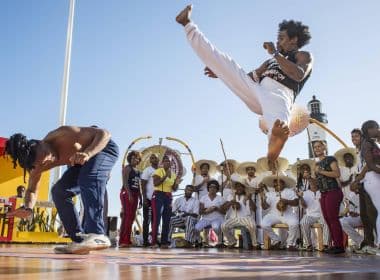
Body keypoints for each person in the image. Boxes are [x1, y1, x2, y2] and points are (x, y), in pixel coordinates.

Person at [176, 5, 312, 166]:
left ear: (294, 39)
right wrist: (222, 73)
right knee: (228, 63)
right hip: (257, 92)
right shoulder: (270, 62)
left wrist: (275, 53)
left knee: (277, 118)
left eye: (281, 38)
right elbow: (248, 78)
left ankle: (274, 145)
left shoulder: (303, 55)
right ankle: (188, 25)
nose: (278, 42)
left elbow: (298, 74)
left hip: (281, 93)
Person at [5, 126, 119, 254]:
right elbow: (31, 190)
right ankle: (80, 241)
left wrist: (89, 153)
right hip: (80, 162)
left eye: (46, 155)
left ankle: (98, 235)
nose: (48, 161)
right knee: (58, 192)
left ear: (41, 143)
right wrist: (28, 208)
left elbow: (104, 134)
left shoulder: (63, 134)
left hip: (102, 149)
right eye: (42, 164)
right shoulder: (37, 166)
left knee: (88, 177)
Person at [313, 140, 344, 254]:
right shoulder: (315, 164)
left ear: (324, 147)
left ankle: (339, 245)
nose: (317, 149)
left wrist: (320, 171)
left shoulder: (331, 159)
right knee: (327, 219)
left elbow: (337, 174)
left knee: (333, 218)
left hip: (333, 191)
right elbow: (316, 183)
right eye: (315, 147)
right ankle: (334, 244)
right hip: (323, 193)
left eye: (319, 146)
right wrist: (310, 178)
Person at [350, 128, 378, 254]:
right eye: (352, 137)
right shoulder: (358, 151)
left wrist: (358, 179)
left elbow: (369, 164)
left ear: (362, 136)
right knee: (365, 216)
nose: (354, 139)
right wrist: (357, 182)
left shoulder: (367, 145)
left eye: (356, 136)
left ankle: (376, 244)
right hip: (363, 185)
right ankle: (368, 243)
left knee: (373, 215)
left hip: (372, 182)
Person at [260, 175, 299, 250]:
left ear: (283, 183)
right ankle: (276, 240)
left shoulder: (289, 191)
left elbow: (296, 202)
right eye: (275, 183)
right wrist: (262, 198)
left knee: (294, 223)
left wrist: (286, 201)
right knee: (264, 224)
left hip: (288, 214)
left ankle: (290, 244)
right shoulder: (270, 194)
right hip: (274, 214)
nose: (276, 185)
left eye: (278, 183)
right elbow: (265, 207)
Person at [151, 155, 182, 248]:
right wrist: (165, 176)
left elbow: (174, 188)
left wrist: (176, 183)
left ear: (171, 163)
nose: (167, 163)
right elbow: (155, 183)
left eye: (169, 161)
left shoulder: (173, 174)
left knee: (167, 220)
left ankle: (164, 242)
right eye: (165, 161)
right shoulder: (158, 171)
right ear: (162, 163)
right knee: (157, 219)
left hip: (168, 197)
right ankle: (154, 242)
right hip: (158, 195)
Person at [360, 120, 380, 249]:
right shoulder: (366, 144)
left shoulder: (373, 143)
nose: (378, 129)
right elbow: (370, 164)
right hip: (372, 178)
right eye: (377, 127)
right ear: (369, 130)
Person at [221, 178, 257, 249]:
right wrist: (231, 202)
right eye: (237, 186)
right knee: (223, 226)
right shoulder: (231, 196)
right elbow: (223, 208)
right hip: (234, 218)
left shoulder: (247, 196)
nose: (239, 188)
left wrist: (250, 199)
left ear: (244, 188)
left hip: (245, 218)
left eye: (241, 186)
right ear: (235, 188)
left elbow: (254, 209)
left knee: (252, 225)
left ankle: (254, 244)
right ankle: (232, 241)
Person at [298, 177, 330, 251]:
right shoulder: (305, 193)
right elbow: (304, 206)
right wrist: (301, 198)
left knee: (327, 222)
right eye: (311, 182)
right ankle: (309, 245)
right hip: (310, 215)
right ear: (309, 183)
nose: (313, 183)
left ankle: (326, 245)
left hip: (322, 214)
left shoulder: (323, 192)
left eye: (314, 181)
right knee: (303, 222)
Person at [119, 151, 142, 247]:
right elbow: (125, 182)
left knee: (131, 217)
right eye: (132, 158)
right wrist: (129, 194)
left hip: (136, 194)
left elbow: (139, 185)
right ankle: (123, 240)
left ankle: (127, 239)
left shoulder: (138, 171)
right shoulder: (127, 168)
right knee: (127, 216)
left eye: (136, 158)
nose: (134, 159)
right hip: (127, 193)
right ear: (130, 159)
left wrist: (141, 197)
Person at [195, 180, 226, 248]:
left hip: (217, 218)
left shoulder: (220, 198)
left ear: (217, 189)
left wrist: (216, 209)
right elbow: (200, 211)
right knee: (196, 228)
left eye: (214, 187)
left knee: (216, 227)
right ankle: (200, 241)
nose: (212, 188)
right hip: (206, 218)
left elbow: (224, 212)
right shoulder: (203, 198)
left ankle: (220, 242)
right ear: (208, 188)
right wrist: (208, 210)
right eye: (210, 187)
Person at [140, 153, 159, 247]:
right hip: (148, 199)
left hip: (158, 199)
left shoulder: (161, 170)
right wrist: (144, 199)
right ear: (150, 160)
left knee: (155, 221)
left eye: (155, 158)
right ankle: (145, 241)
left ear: (158, 159)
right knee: (146, 221)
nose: (153, 159)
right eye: (152, 158)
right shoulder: (147, 170)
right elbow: (142, 185)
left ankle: (154, 240)